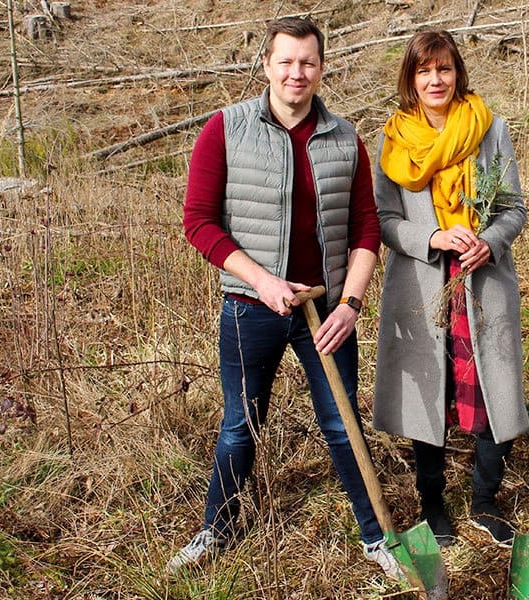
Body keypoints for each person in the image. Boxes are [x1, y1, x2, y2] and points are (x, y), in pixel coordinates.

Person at [168, 17, 401, 580]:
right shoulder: (225, 128)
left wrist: (350, 303)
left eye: (308, 62)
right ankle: (215, 530)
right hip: (252, 307)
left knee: (344, 425)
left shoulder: (345, 138)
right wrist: (262, 280)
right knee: (239, 424)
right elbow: (199, 223)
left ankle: (376, 539)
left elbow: (367, 228)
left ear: (322, 67)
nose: (297, 73)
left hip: (325, 310)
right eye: (286, 61)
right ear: (267, 65)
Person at [372, 30, 529, 549]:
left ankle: (485, 501)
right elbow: (385, 220)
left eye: (443, 69)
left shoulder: (490, 129)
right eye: (423, 71)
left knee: (491, 387)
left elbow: (513, 209)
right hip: (422, 284)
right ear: (410, 79)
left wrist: (489, 241)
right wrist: (433, 236)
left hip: (482, 283)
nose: (435, 79)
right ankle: (432, 501)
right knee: (429, 393)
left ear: (458, 72)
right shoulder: (394, 139)